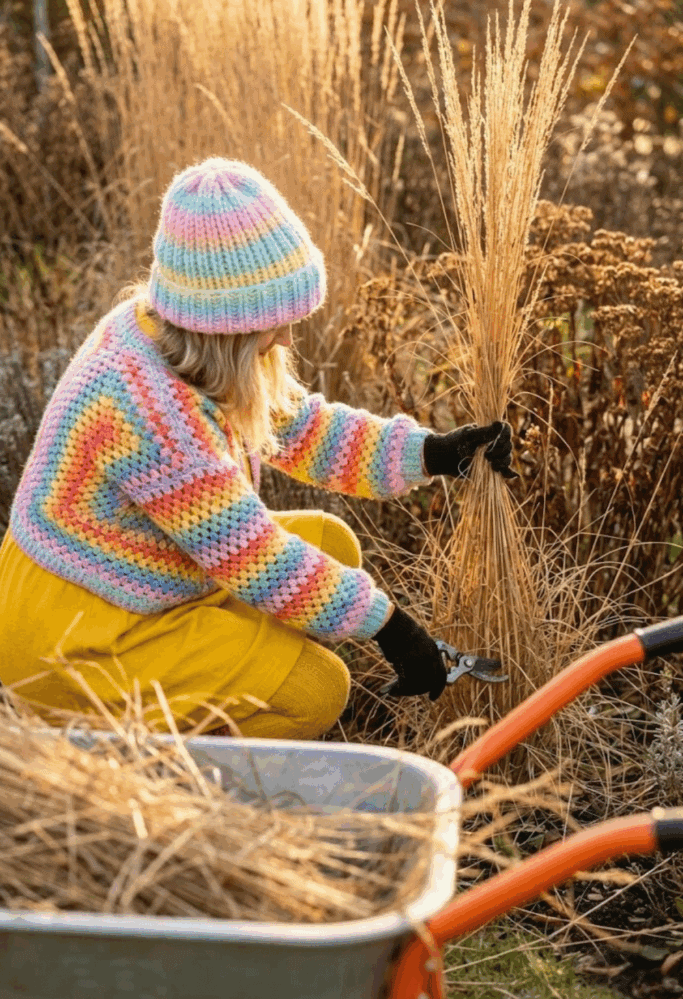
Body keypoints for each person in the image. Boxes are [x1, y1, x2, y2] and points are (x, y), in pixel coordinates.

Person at [0, 157, 514, 739]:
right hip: (74, 637)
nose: (288, 338)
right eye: (276, 323)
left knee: (332, 543)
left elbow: (300, 429)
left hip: (135, 576)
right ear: (225, 324)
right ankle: (166, 773)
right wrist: (393, 629)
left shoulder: (170, 334)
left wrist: (433, 453)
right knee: (317, 690)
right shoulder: (147, 414)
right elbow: (256, 558)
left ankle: (234, 676)